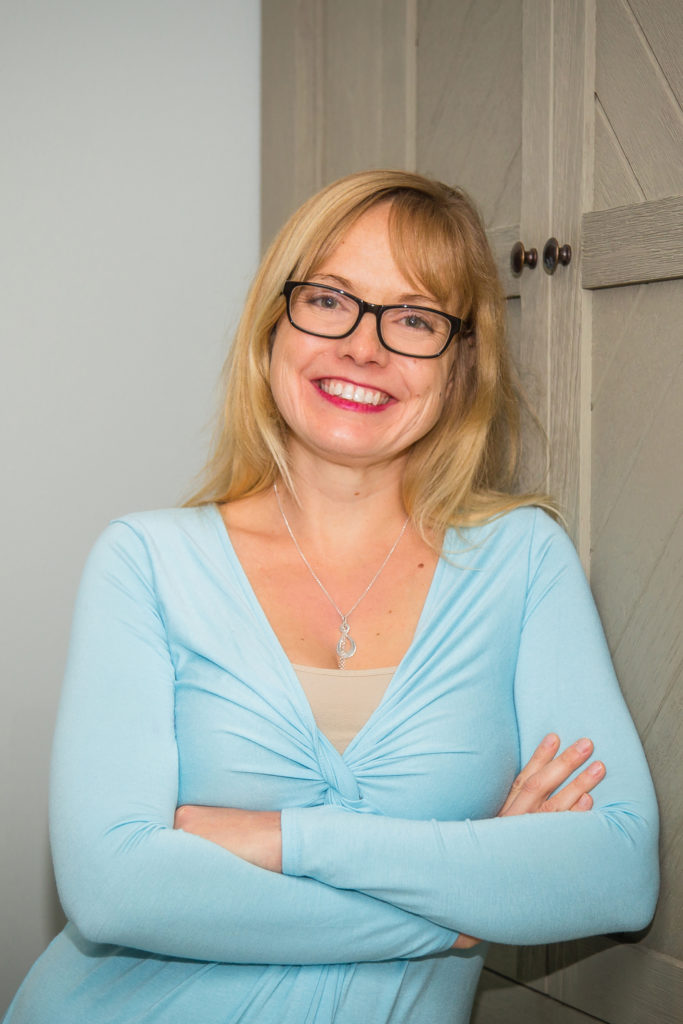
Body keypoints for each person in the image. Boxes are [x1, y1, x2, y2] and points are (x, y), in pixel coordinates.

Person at [3, 170, 658, 1024]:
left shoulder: (522, 561)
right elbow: (115, 891)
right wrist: (459, 910)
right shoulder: (146, 561)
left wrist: (280, 838)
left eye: (415, 318)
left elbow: (615, 872)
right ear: (274, 325)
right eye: (330, 300)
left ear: (460, 366)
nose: (364, 347)